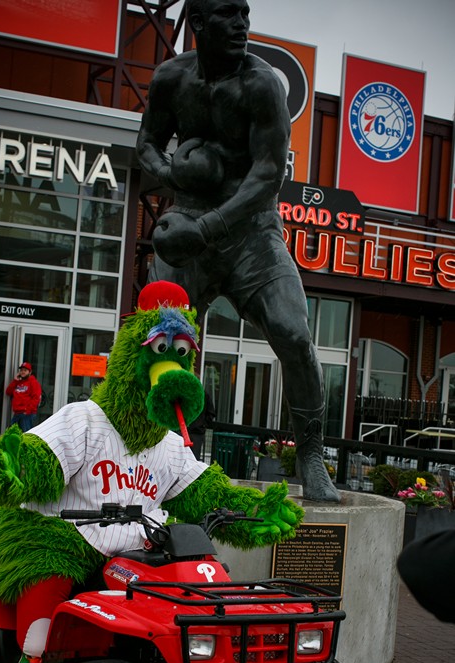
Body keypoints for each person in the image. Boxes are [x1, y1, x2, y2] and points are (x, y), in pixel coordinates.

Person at [136, 0, 340, 502]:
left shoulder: (263, 84)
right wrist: (172, 176)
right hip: (189, 225)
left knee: (294, 335)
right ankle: (158, 451)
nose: (243, 25)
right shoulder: (171, 78)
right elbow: (145, 143)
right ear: (200, 24)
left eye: (245, 13)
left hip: (251, 231)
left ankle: (311, 453)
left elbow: (268, 173)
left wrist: (209, 225)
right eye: (230, 14)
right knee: (159, 342)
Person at [5, 361, 42, 432]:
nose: (23, 372)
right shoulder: (18, 382)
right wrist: (15, 381)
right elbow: (8, 392)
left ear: (30, 372)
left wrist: (27, 410)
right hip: (17, 413)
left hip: (27, 414)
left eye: (25, 370)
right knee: (12, 434)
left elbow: (36, 398)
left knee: (26, 436)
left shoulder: (33, 382)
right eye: (21, 370)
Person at [188, 386, 216, 460]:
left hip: (189, 430)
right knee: (194, 458)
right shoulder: (204, 394)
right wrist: (203, 424)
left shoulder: (185, 394)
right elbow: (211, 413)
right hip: (197, 431)